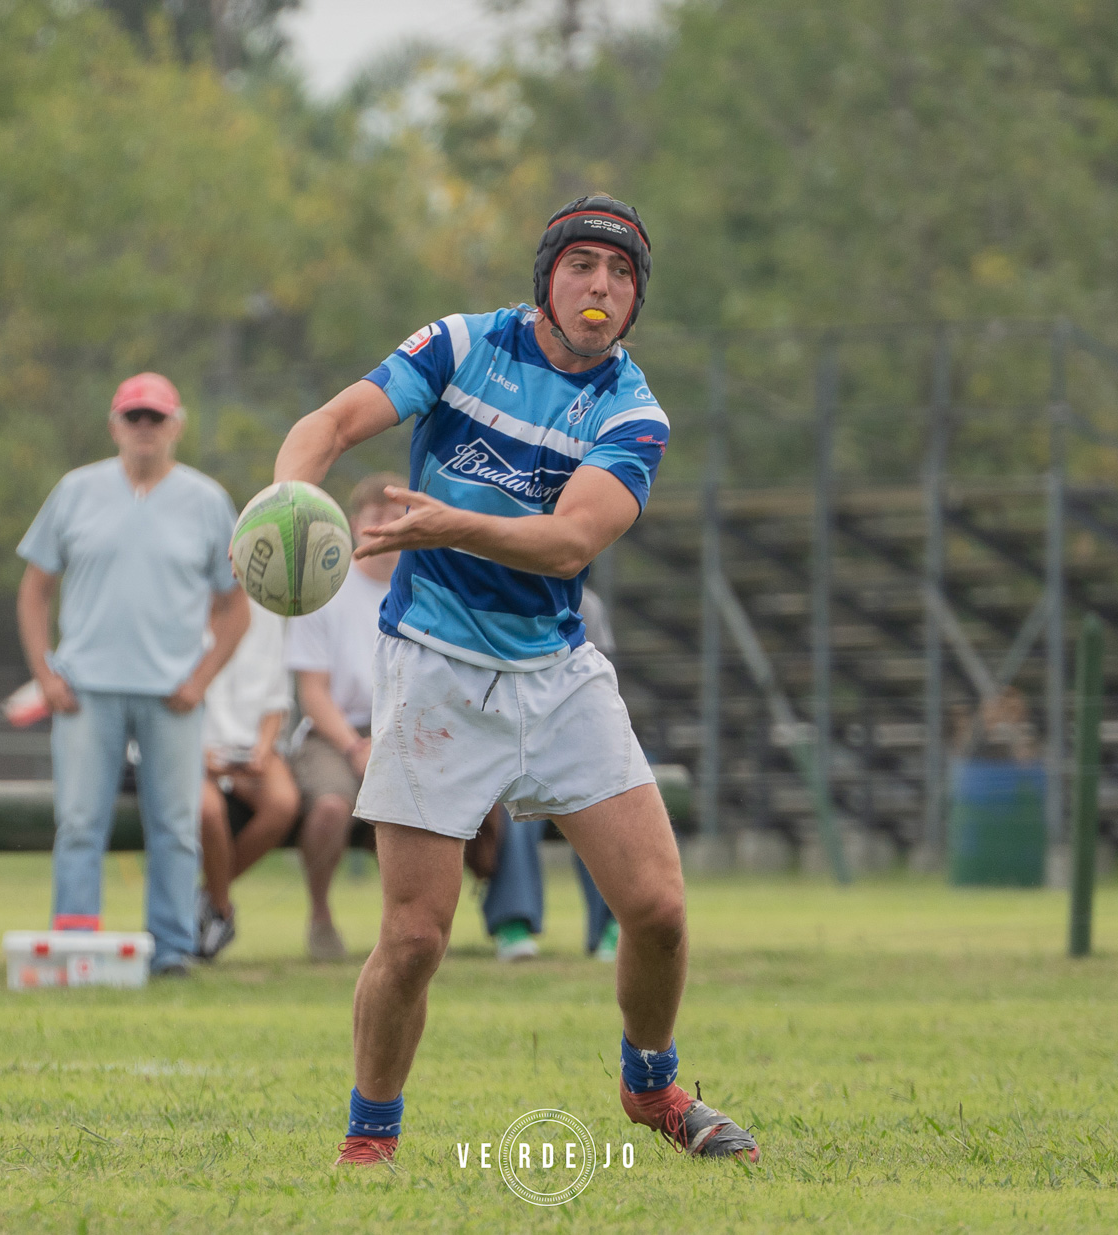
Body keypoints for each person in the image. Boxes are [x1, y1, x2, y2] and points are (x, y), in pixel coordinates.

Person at [274, 195, 760, 1164]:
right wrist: (282, 499)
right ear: (547, 276)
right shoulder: (462, 345)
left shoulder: (631, 409)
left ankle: (651, 1085)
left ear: (634, 301)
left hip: (555, 672)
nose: (601, 287)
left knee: (658, 908)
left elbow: (571, 539)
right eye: (583, 265)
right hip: (435, 668)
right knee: (414, 936)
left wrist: (446, 521)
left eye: (621, 275)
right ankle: (370, 1139)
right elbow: (331, 423)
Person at [16, 372, 248, 977]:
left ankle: (171, 950)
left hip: (173, 693)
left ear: (177, 425)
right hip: (84, 690)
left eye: (156, 418)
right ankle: (74, 946)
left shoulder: (206, 501)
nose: (145, 429)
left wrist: (201, 679)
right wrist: (45, 672)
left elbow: (235, 605)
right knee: (79, 822)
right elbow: (35, 591)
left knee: (175, 826)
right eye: (134, 418)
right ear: (115, 425)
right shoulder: (75, 491)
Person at [282, 472, 408, 962]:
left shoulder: (426, 589)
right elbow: (312, 692)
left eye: (393, 517)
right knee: (331, 807)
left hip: (403, 728)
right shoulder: (324, 590)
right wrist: (357, 748)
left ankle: (404, 928)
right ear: (353, 526)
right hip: (333, 733)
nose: (381, 527)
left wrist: (389, 739)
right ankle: (319, 913)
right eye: (372, 517)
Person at [479, 587, 620, 962]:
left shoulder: (587, 602)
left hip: (573, 740)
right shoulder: (491, 597)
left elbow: (599, 688)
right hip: (506, 742)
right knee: (514, 799)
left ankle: (613, 925)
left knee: (602, 799)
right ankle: (513, 923)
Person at [195, 596, 301, 960]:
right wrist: (198, 754)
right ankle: (221, 911)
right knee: (207, 811)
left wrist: (262, 749)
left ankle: (207, 898)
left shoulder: (268, 611)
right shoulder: (180, 604)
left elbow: (278, 698)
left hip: (248, 748)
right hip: (191, 747)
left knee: (283, 803)